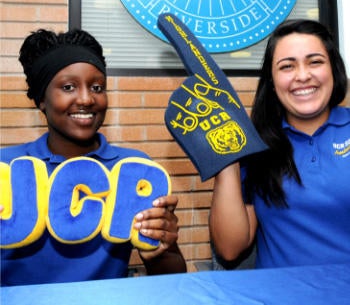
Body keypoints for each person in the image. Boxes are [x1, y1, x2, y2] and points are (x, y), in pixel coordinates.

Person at [0, 28, 186, 286]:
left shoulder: (133, 171)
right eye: (68, 87)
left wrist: (163, 245)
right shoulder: (7, 169)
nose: (87, 99)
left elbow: (172, 279)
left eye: (97, 87)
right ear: (41, 100)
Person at [209, 19, 350, 269]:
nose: (303, 76)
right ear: (272, 83)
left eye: (315, 61)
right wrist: (226, 158)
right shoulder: (257, 148)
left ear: (334, 70)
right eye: (287, 66)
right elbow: (230, 250)